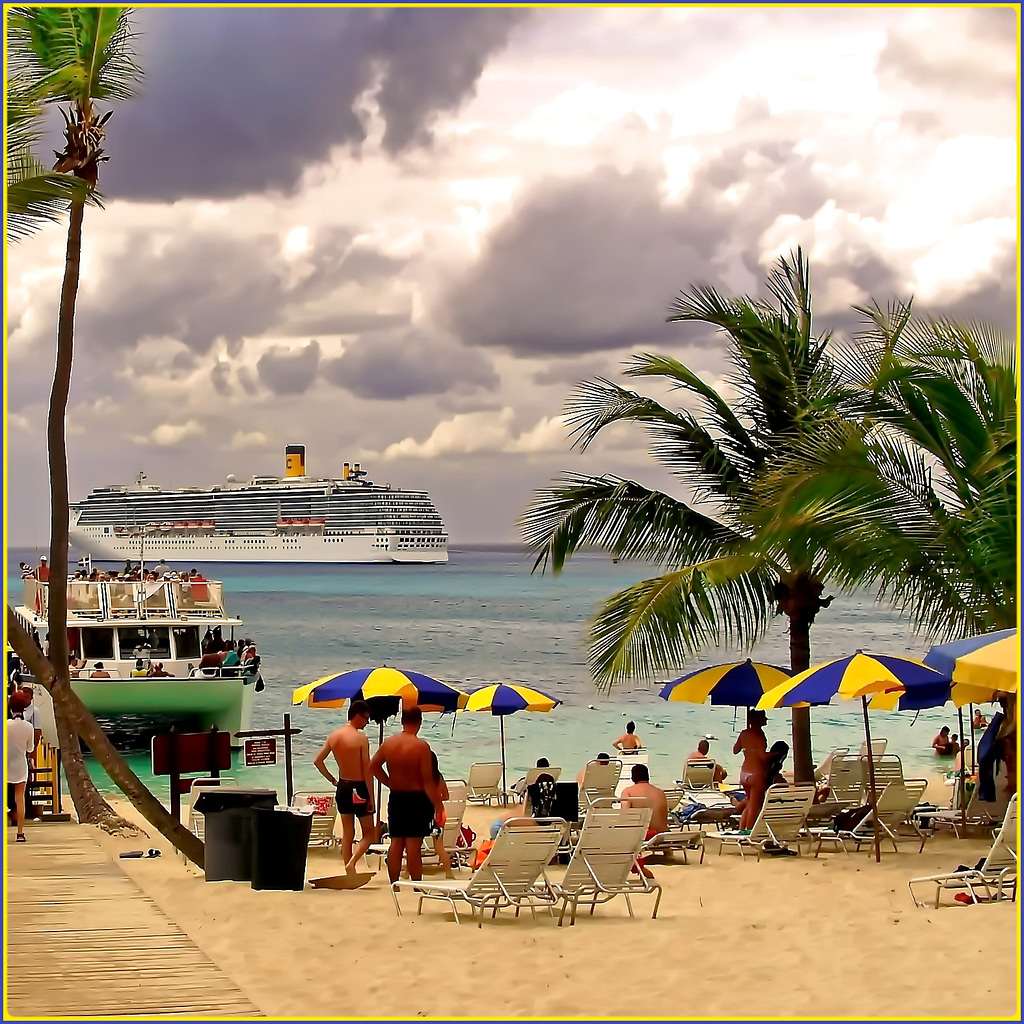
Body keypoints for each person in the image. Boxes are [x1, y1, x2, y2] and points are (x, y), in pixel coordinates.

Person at [369, 706, 443, 884]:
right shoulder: (421, 747)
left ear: (402, 721)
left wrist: (389, 782)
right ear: (419, 722)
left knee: (396, 842)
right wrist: (439, 806)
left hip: (397, 797)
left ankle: (394, 884)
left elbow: (372, 767)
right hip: (417, 799)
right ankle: (416, 884)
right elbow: (427, 780)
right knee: (413, 846)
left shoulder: (389, 743)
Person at [314, 699, 378, 875]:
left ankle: (348, 872)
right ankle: (352, 862)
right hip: (359, 788)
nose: (367, 722)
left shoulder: (334, 736)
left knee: (347, 833)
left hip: (343, 787)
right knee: (369, 834)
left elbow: (317, 761)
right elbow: (367, 770)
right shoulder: (361, 739)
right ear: (357, 715)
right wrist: (371, 797)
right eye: (366, 718)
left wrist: (333, 780)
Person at [619, 764, 669, 879]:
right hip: (664, 835)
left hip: (645, 835)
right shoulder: (660, 792)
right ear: (648, 776)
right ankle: (668, 852)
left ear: (633, 777)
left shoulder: (628, 792)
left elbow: (625, 817)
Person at [7, 690, 36, 842]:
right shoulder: (28, 727)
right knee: (20, 799)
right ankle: (20, 833)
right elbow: (30, 748)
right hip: (19, 764)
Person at [733, 708, 769, 829]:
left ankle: (742, 828)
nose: (765, 719)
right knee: (754, 805)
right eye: (763, 717)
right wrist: (775, 754)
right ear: (759, 720)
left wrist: (747, 746)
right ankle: (747, 830)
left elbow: (735, 750)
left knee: (749, 801)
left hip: (744, 773)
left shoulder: (744, 733)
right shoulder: (759, 735)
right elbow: (762, 756)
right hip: (756, 773)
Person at [427, 751, 455, 879]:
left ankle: (407, 872)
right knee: (439, 847)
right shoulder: (439, 777)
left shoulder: (424, 778)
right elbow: (446, 796)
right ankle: (449, 873)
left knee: (414, 843)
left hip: (427, 813)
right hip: (440, 813)